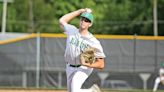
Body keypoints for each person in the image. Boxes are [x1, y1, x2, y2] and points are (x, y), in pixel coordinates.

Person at [59, 8, 106, 92]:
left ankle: (92, 91)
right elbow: (62, 20)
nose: (83, 21)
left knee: (75, 91)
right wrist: (80, 11)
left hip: (83, 68)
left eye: (87, 20)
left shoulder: (93, 41)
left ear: (90, 24)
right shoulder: (72, 30)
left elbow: (101, 64)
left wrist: (87, 64)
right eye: (82, 19)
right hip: (69, 66)